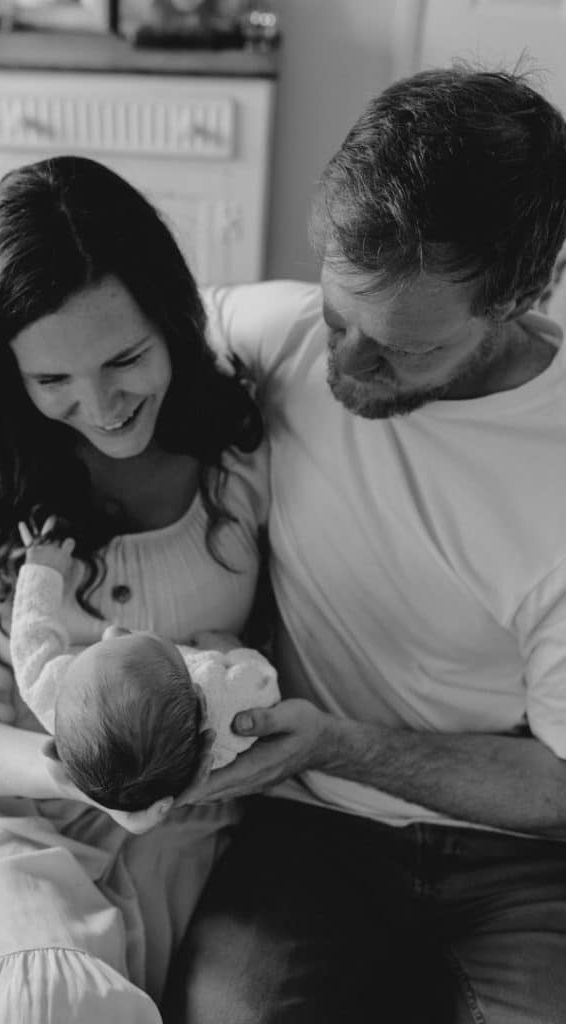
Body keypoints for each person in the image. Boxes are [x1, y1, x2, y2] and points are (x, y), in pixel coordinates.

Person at [161, 68, 566, 1024]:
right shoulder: (285, 335)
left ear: (513, 301)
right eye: (340, 316)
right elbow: (112, 314)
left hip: (515, 850)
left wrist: (341, 741)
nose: (341, 366)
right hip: (308, 831)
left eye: (398, 348)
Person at [0, 155, 269, 1021]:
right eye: (50, 380)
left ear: (172, 321)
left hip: (181, 820)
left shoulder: (243, 444)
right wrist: (68, 772)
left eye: (125, 359)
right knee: (36, 1000)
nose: (99, 406)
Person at [10, 526, 280, 827]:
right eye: (131, 638)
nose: (113, 629)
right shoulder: (222, 701)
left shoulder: (58, 698)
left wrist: (41, 569)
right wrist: (230, 650)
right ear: (198, 694)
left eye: (106, 644)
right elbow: (263, 683)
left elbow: (30, 640)